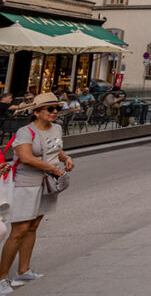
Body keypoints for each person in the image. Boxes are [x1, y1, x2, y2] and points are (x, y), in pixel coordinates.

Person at [0, 93, 75, 294]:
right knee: (19, 230)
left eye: (57, 108)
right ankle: (2, 278)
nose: (55, 112)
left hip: (48, 184)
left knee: (33, 226)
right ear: (37, 112)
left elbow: (56, 149)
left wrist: (66, 158)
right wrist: (52, 168)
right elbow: (25, 158)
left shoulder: (57, 128)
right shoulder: (25, 132)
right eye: (50, 109)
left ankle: (23, 271)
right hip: (27, 183)